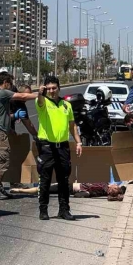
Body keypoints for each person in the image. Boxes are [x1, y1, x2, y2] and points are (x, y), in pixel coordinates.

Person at [35, 75, 83, 221]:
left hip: (63, 147)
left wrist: (79, 142)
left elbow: (72, 125)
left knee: (64, 180)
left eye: (54, 88)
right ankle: (43, 210)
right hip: (47, 147)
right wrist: (40, 93)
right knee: (45, 180)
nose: (51, 91)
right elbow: (41, 100)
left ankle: (64, 209)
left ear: (59, 88)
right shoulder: (41, 102)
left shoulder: (66, 105)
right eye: (48, 88)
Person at [0, 74, 39, 200]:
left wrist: (11, 124)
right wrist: (42, 95)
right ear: (5, 82)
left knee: (2, 159)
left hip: (3, 131)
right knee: (3, 160)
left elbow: (3, 116)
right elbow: (22, 95)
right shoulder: (2, 93)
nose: (12, 87)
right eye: (10, 83)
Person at [11, 181, 128, 201]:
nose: (115, 184)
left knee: (43, 188)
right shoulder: (101, 191)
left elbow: (85, 193)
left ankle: (20, 190)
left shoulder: (103, 185)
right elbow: (85, 194)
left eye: (116, 186)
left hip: (70, 186)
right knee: (43, 189)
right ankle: (21, 190)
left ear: (113, 188)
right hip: (71, 189)